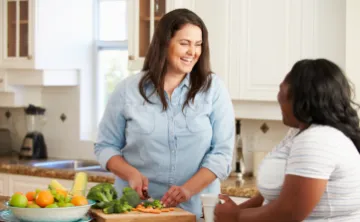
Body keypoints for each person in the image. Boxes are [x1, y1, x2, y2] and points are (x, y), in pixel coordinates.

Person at [94, 8, 235, 218]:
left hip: (195, 211)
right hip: (136, 211)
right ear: (164, 43)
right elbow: (105, 146)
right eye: (184, 43)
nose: (193, 52)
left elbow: (222, 154)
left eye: (198, 45)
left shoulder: (213, 89)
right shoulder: (127, 90)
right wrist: (130, 174)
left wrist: (187, 190)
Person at [214, 58, 360, 221]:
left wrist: (236, 216)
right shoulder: (300, 133)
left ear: (301, 98)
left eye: (281, 91)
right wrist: (231, 212)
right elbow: (274, 198)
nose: (278, 99)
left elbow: (289, 212)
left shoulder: (318, 140)